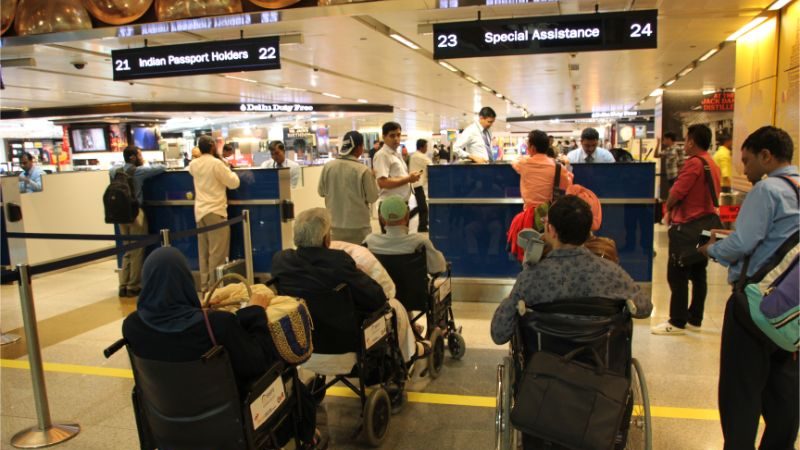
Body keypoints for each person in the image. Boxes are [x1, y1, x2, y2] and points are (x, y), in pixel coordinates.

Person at [121, 247, 323, 449]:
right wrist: (254, 313)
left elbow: (172, 341)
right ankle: (308, 437)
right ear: (186, 281)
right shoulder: (216, 324)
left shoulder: (132, 327)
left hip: (166, 427)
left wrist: (196, 312)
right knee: (291, 380)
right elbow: (258, 363)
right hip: (231, 429)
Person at [698, 126, 799, 449]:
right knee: (784, 388)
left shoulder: (767, 190)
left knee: (740, 391)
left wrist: (711, 249)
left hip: (754, 304)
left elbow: (743, 242)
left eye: (747, 161)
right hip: (791, 307)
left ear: (766, 156)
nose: (744, 169)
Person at [271, 208, 427, 369]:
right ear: (326, 238)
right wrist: (360, 272)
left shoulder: (282, 261)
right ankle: (410, 355)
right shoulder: (338, 261)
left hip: (299, 346)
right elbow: (377, 298)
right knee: (395, 307)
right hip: (344, 346)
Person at [491, 195, 652, 345]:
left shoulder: (532, 276)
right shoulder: (611, 272)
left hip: (545, 363)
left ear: (551, 230)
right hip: (602, 361)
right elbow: (644, 308)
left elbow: (499, 333)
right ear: (588, 231)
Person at [652, 124, 721, 335]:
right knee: (699, 270)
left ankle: (677, 320)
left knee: (677, 271)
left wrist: (669, 207)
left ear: (691, 141)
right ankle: (695, 317)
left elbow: (677, 192)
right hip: (707, 225)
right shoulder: (712, 163)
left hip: (688, 226)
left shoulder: (694, 164)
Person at [110, 145, 166, 297]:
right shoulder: (139, 171)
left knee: (127, 250)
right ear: (133, 157)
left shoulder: (114, 171)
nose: (141, 157)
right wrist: (146, 163)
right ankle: (134, 286)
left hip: (120, 214)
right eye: (140, 155)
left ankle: (123, 284)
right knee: (137, 250)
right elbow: (162, 167)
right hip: (135, 214)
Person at [189, 135, 241, 291]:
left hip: (200, 211)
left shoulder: (194, 164)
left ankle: (204, 286)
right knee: (217, 253)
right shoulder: (216, 164)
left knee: (203, 251)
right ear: (212, 146)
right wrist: (228, 168)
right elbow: (234, 183)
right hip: (216, 211)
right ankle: (214, 288)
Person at [317, 131, 379, 244]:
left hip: (334, 227)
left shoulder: (328, 167)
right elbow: (372, 197)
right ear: (360, 147)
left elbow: (321, 192)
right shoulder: (363, 170)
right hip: (359, 229)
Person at [365, 195, 446, 274]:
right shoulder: (420, 242)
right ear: (407, 216)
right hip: (414, 287)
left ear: (381, 219)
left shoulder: (370, 242)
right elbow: (438, 268)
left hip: (382, 287)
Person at [512, 130, 574, 211]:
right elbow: (568, 185)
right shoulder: (558, 167)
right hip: (550, 213)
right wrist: (568, 166)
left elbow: (514, 161)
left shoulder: (523, 163)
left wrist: (528, 157)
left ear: (533, 148)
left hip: (529, 213)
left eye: (528, 146)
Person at [373, 122, 420, 229]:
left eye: (398, 135)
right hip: (390, 205)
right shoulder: (382, 155)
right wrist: (408, 178)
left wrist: (410, 177)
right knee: (392, 243)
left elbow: (397, 176)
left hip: (401, 203)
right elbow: (382, 182)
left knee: (401, 241)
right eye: (392, 135)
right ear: (384, 137)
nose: (396, 139)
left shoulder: (396, 154)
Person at [408, 139, 432, 232]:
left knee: (421, 206)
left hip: (417, 184)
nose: (426, 148)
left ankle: (421, 225)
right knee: (423, 207)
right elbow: (430, 164)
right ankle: (422, 227)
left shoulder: (414, 155)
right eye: (426, 146)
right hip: (417, 185)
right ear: (421, 147)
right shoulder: (419, 156)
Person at [656, 132, 686, 201]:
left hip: (676, 176)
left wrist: (679, 175)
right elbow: (656, 155)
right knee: (672, 193)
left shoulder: (678, 148)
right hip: (670, 177)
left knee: (675, 195)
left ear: (669, 139)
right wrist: (658, 144)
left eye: (664, 139)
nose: (663, 141)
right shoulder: (667, 150)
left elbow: (681, 162)